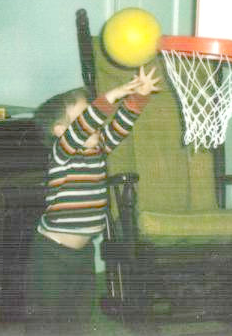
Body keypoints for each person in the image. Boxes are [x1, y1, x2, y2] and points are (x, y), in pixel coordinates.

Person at [24, 66, 159, 335]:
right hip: (51, 255)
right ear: (61, 130)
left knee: (79, 316)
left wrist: (139, 95)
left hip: (83, 254)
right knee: (45, 321)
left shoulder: (96, 150)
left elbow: (120, 126)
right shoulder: (62, 152)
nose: (96, 124)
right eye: (86, 117)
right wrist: (113, 95)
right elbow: (85, 125)